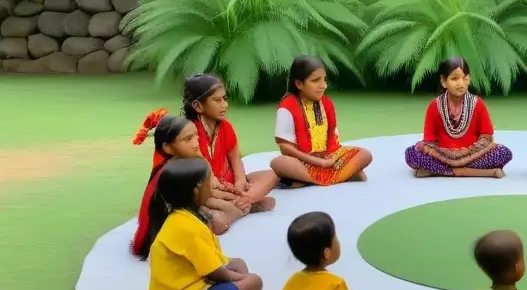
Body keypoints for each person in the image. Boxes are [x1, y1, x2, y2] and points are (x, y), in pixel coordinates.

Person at [137, 158, 263, 290]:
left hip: (191, 279)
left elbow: (208, 259)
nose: (214, 184)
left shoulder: (184, 215)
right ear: (197, 189)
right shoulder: (187, 227)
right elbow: (215, 273)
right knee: (254, 282)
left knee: (238, 263)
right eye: (210, 179)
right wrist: (241, 280)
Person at [130, 110, 240, 256]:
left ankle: (242, 208)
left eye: (196, 136)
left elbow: (207, 192)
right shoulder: (176, 170)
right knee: (220, 219)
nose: (196, 143)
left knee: (223, 204)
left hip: (182, 213)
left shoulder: (181, 161)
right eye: (188, 139)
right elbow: (202, 199)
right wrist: (233, 206)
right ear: (167, 147)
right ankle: (242, 210)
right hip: (164, 232)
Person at [270, 56, 373, 186]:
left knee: (364, 155)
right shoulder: (287, 107)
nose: (323, 85)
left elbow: (333, 139)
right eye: (315, 80)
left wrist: (330, 158)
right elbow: (285, 148)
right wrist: (318, 162)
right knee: (279, 163)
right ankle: (339, 176)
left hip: (330, 158)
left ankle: (306, 181)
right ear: (299, 84)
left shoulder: (327, 103)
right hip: (303, 161)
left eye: (324, 80)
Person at [182, 73, 278, 213]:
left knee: (272, 175)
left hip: (231, 183)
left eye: (224, 99)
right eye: (217, 100)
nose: (225, 105)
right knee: (211, 209)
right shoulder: (189, 133)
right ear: (198, 106)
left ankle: (244, 202)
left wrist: (240, 183)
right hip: (210, 190)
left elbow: (236, 161)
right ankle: (246, 205)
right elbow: (198, 178)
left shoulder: (226, 127)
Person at [404, 57, 513, 178]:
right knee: (412, 154)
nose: (460, 83)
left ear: (469, 79)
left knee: (503, 153)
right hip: (442, 156)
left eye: (465, 78)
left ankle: (441, 171)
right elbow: (429, 140)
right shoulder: (434, 106)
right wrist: (446, 155)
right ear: (443, 81)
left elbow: (486, 136)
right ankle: (478, 172)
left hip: (473, 155)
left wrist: (467, 153)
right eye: (454, 78)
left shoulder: (478, 103)